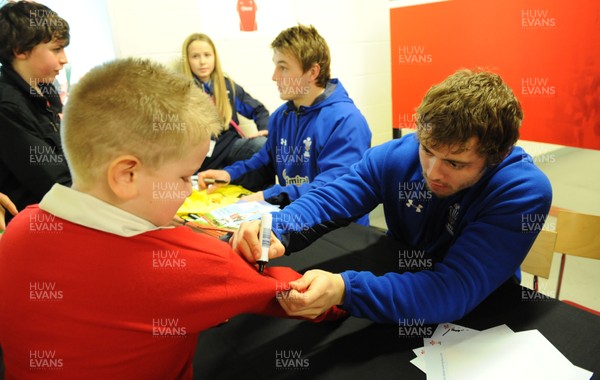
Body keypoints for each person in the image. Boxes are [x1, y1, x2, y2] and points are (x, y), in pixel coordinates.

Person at [0, 58, 344, 379]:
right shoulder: (179, 263)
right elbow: (301, 297)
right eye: (184, 179)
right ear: (126, 176)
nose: (186, 191)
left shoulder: (16, 233)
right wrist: (342, 295)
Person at [230, 69, 553, 324]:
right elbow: (334, 196)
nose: (433, 172)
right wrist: (280, 226)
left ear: (496, 155)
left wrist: (346, 289)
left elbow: (453, 289)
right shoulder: (400, 155)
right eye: (428, 150)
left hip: (479, 314)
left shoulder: (521, 190)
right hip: (400, 285)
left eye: (455, 163)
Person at [198, 24, 372, 225]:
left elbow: (330, 188)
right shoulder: (281, 116)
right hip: (297, 220)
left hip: (338, 229)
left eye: (283, 67)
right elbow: (264, 159)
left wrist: (268, 196)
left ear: (313, 72)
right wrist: (228, 173)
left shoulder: (346, 121)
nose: (274, 77)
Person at [0, 0, 72, 225]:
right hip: (34, 224)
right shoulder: (7, 106)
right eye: (56, 49)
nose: (64, 59)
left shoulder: (46, 91)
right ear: (20, 50)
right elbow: (55, 184)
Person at [182, 33, 272, 191]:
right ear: (187, 60)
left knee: (263, 146)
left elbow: (259, 110)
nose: (202, 61)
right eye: (195, 56)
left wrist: (264, 130)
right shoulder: (182, 91)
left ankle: (267, 196)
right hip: (202, 154)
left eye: (207, 55)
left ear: (215, 57)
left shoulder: (227, 86)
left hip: (230, 146)